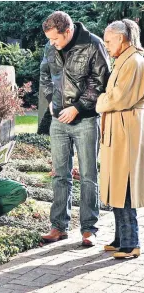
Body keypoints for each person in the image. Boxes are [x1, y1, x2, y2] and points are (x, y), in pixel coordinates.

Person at [40, 11, 110, 246]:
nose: (52, 44)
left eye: (55, 39)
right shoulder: (50, 47)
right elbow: (44, 76)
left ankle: (89, 228)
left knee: (89, 175)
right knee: (60, 175)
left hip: (86, 120)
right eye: (49, 39)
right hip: (58, 120)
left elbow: (100, 81)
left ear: (67, 32)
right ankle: (58, 226)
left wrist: (78, 108)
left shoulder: (93, 44)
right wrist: (51, 98)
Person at [96, 19, 144, 259]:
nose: (105, 45)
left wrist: (101, 102)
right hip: (120, 128)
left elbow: (116, 99)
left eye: (108, 40)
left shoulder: (133, 61)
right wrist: (106, 99)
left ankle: (131, 242)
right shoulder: (123, 60)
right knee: (115, 183)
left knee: (123, 184)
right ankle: (121, 238)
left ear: (121, 38)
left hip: (127, 130)